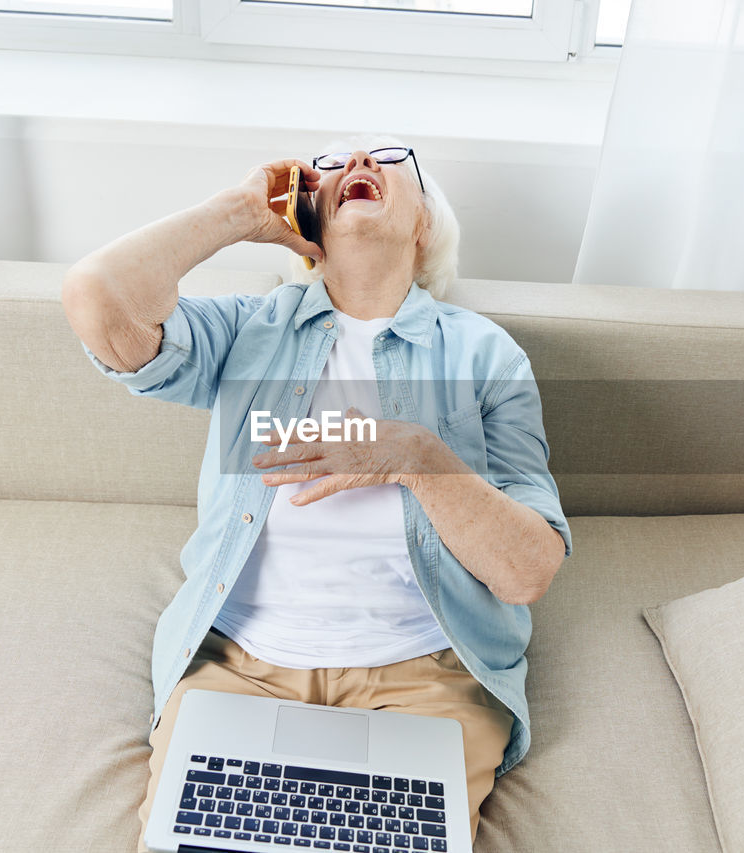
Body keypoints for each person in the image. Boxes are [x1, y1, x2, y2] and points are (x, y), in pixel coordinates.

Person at [61, 133, 571, 851]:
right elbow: (97, 300)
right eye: (332, 163)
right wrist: (240, 211)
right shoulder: (247, 331)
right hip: (239, 668)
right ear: (307, 224)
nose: (359, 164)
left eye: (390, 160)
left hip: (426, 678)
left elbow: (529, 569)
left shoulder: (485, 354)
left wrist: (414, 454)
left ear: (425, 223)